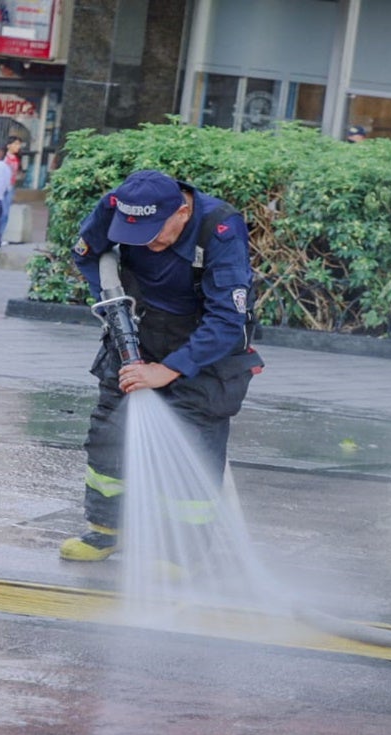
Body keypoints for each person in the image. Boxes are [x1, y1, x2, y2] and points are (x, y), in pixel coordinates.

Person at [60, 170, 264, 561]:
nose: (147, 243)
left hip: (204, 341)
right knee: (109, 431)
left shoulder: (219, 228)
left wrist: (166, 370)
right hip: (141, 325)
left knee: (193, 441)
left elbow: (226, 321)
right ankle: (106, 530)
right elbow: (86, 255)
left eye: (156, 231)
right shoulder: (117, 206)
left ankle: (181, 552)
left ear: (182, 212)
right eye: (136, 234)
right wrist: (116, 304)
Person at [0, 135, 23, 241]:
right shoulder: (3, 157)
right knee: (0, 212)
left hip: (10, 187)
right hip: (0, 187)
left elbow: (18, 172)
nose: (18, 146)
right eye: (16, 144)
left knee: (6, 213)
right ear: (8, 145)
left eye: (19, 144)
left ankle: (0, 236)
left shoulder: (17, 158)